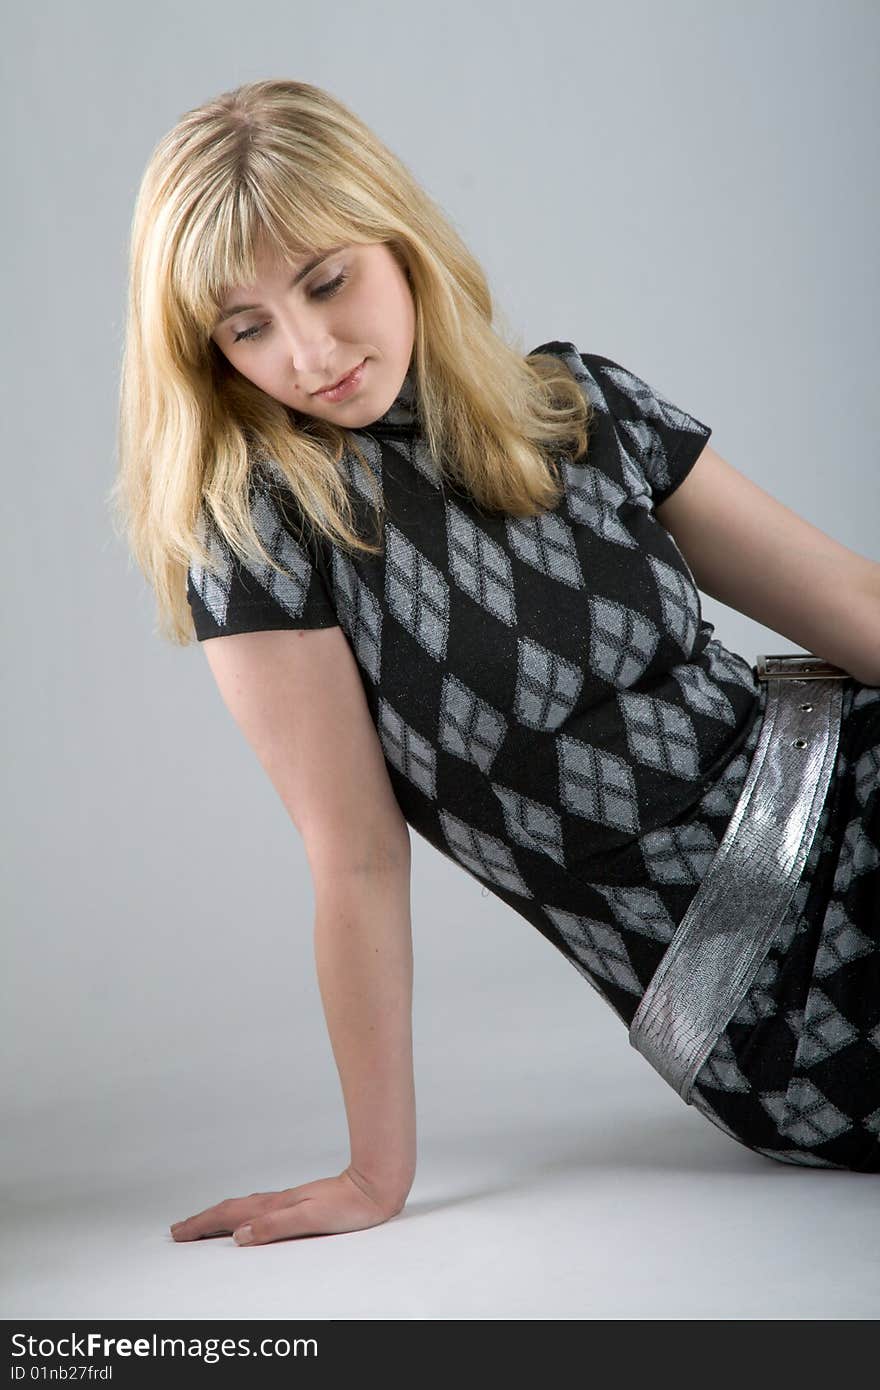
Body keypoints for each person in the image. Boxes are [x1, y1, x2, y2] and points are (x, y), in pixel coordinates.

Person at [110, 79, 880, 1246]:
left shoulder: (580, 407)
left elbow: (854, 604)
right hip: (762, 1002)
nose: (309, 351)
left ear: (400, 241)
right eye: (246, 325)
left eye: (326, 280)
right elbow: (355, 858)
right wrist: (377, 1173)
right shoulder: (266, 536)